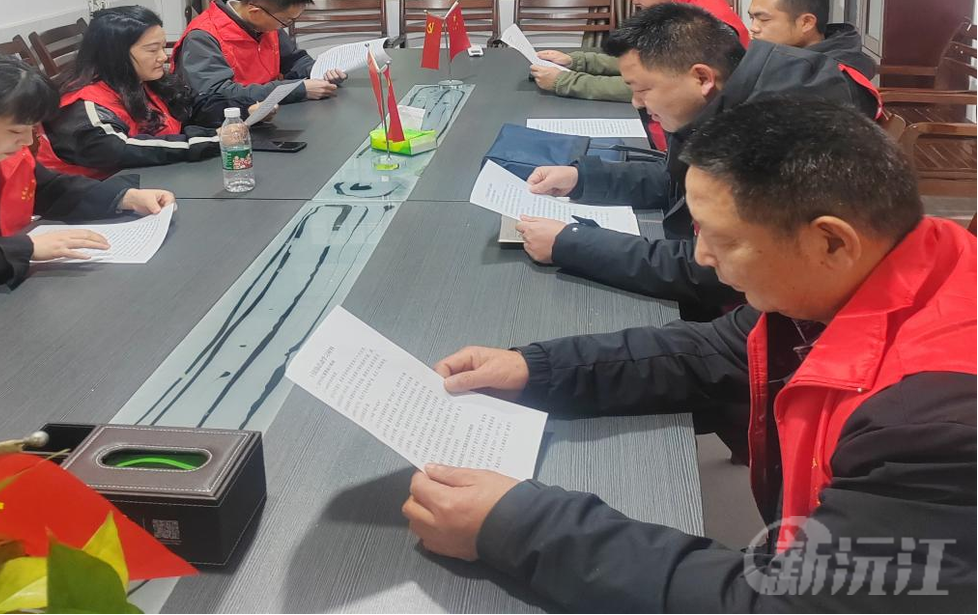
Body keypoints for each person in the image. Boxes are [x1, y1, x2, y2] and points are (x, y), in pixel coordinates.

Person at [403, 98, 977, 614]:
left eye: (722, 239)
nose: (701, 257)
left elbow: (797, 602)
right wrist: (535, 368)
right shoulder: (885, 265)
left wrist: (519, 528)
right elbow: (713, 350)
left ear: (830, 241)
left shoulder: (936, 427)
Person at [517, 3, 881, 322]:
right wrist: (583, 178)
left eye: (643, 90)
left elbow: (711, 269)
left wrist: (573, 243)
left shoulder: (775, 129)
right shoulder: (726, 97)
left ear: (702, 77)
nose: (637, 103)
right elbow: (678, 181)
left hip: (760, 318)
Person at [0, 51, 175, 302]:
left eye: (31, 129)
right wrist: (24, 248)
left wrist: (124, 197)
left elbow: (48, 189)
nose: (27, 142)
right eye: (15, 131)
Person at [530, 0, 750, 149]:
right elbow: (643, 64)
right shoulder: (684, 8)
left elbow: (651, 86)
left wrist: (564, 81)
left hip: (683, 143)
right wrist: (577, 61)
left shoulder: (699, 22)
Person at [39, 6, 273, 179]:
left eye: (162, 47)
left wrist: (241, 113)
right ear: (116, 55)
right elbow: (123, 149)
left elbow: (190, 106)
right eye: (152, 50)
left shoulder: (143, 80)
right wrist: (213, 139)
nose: (163, 57)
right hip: (100, 198)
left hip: (153, 179)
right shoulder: (82, 105)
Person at [173, 0, 342, 107]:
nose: (285, 26)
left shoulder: (266, 23)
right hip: (228, 121)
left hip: (268, 108)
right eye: (286, 21)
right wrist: (294, 90)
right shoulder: (202, 37)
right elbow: (216, 94)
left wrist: (321, 71)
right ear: (255, 12)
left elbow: (293, 60)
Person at [748, 0, 877, 80]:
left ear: (806, 22)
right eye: (752, 18)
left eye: (764, 19)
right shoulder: (781, 57)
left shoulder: (827, 78)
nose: (753, 28)